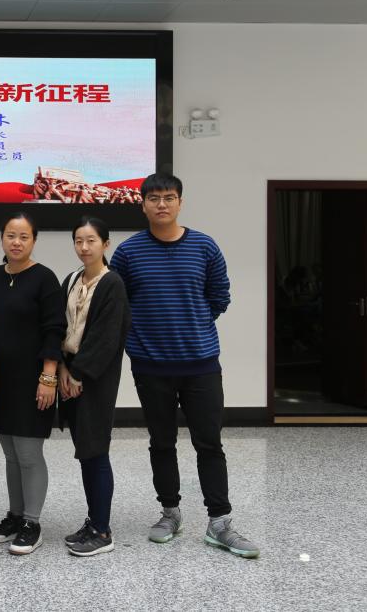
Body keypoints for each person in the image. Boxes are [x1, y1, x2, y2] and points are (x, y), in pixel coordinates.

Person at [110, 172, 260, 558]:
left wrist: (192, 323)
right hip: (150, 366)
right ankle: (170, 513)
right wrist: (141, 338)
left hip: (201, 364)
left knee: (209, 443)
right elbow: (119, 304)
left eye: (169, 197)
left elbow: (219, 296)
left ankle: (219, 522)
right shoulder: (128, 252)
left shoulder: (204, 246)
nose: (162, 204)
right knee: (161, 442)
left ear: (180, 202)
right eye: (154, 198)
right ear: (142, 205)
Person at [0, 212, 64, 555]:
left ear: (34, 240)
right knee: (10, 453)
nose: (16, 242)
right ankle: (15, 516)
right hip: (1, 380)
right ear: (2, 238)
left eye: (24, 236)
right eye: (10, 235)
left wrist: (48, 378)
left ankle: (32, 522)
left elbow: (54, 331)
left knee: (28, 453)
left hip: (34, 381)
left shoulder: (45, 278)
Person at [57, 217, 131, 557]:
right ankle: (93, 521)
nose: (84, 247)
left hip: (95, 379)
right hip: (70, 372)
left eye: (91, 240)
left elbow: (107, 337)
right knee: (85, 451)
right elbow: (59, 327)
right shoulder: (72, 279)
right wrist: (62, 368)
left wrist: (78, 375)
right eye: (78, 240)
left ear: (105, 244)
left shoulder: (112, 283)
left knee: (96, 450)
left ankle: (103, 531)